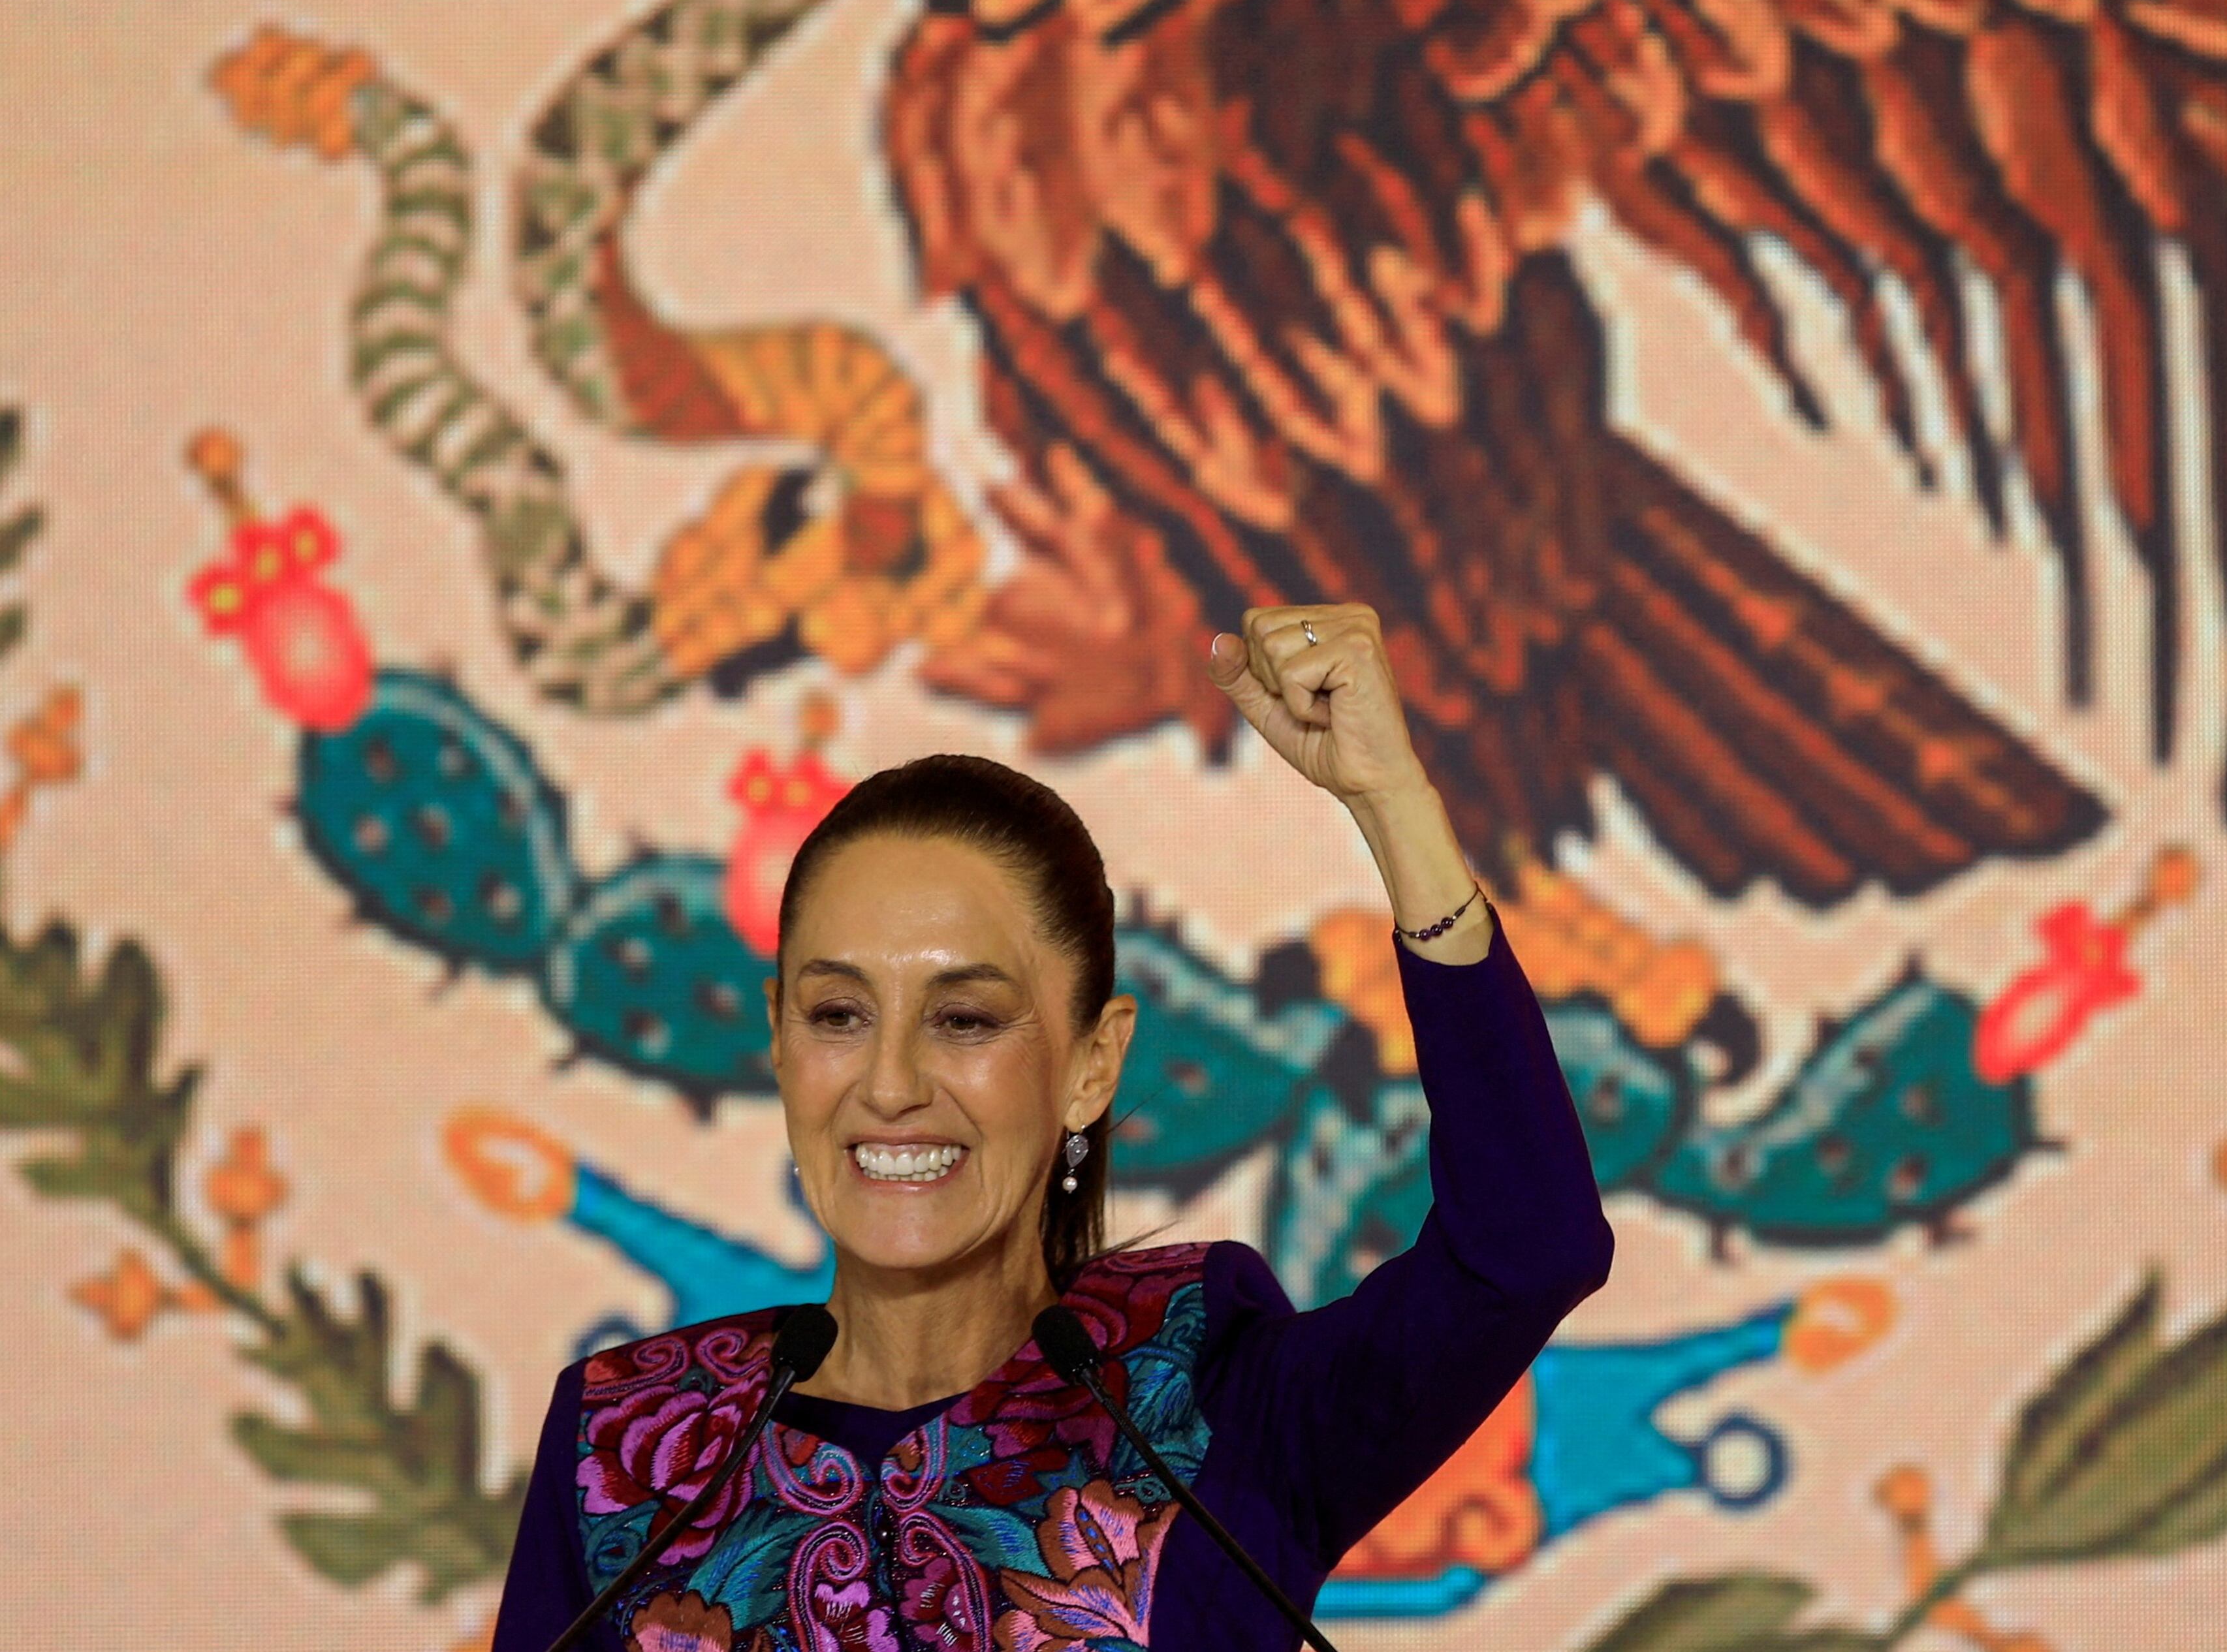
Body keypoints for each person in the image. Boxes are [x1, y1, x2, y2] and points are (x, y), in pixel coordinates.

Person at [488, 603, 1614, 1651]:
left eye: (964, 1018)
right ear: (779, 1045)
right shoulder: (631, 1447)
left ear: (1091, 1064)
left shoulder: (1211, 1406)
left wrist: (1392, 803)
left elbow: (1527, 1250)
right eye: (839, 1014)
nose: (889, 1081)